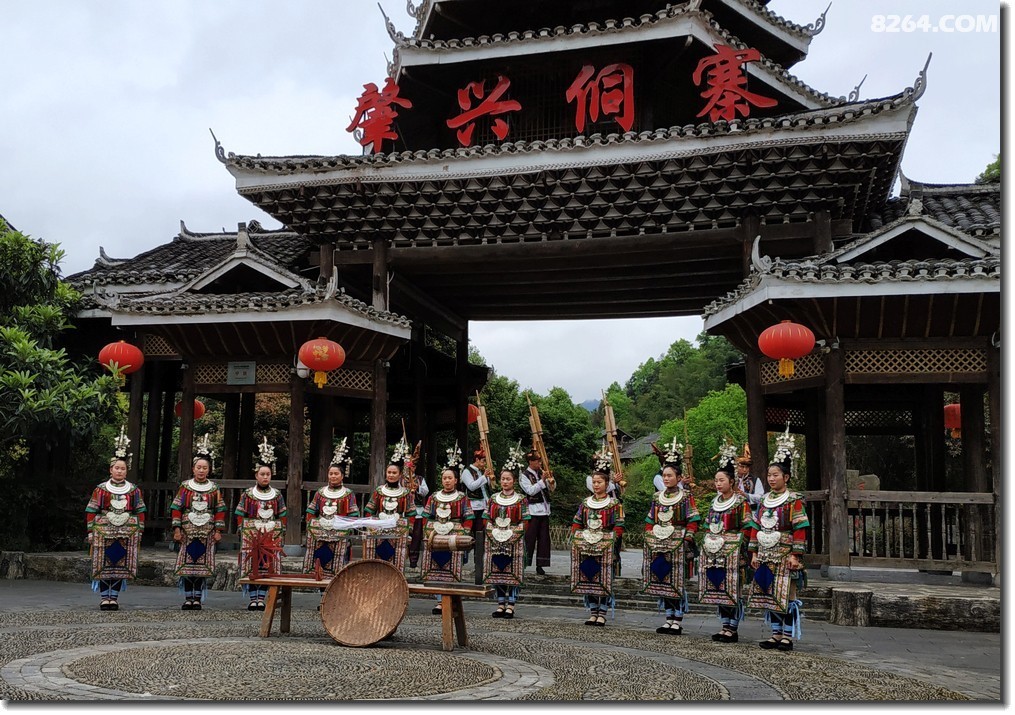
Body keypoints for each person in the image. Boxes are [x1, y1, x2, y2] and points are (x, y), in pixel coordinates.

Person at [748, 431, 810, 651]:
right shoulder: (764, 500)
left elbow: (800, 527)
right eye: (769, 474)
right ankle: (775, 634)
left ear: (786, 477)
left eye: (776, 475)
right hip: (765, 553)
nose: (771, 478)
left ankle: (787, 636)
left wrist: (796, 554)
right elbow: (755, 526)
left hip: (785, 553)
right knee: (769, 592)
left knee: (788, 593)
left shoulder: (794, 500)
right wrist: (754, 552)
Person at [699, 443, 757, 643]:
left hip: (733, 553)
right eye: (716, 480)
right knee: (719, 587)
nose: (717, 484)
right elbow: (708, 525)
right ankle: (724, 626)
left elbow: (748, 526)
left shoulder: (741, 503)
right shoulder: (714, 503)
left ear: (731, 481)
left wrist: (736, 542)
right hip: (716, 552)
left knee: (733, 588)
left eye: (721, 480)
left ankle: (733, 627)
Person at [642, 441, 700, 635]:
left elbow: (693, 520)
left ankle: (678, 619)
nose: (666, 479)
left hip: (679, 544)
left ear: (679, 477)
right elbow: (650, 519)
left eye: (670, 475)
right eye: (664, 475)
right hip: (660, 544)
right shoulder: (657, 497)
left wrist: (686, 539)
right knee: (663, 579)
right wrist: (650, 536)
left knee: (677, 582)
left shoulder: (686, 497)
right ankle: (668, 618)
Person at [85, 426, 146, 611]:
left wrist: (140, 530)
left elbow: (140, 511)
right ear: (110, 469)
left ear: (127, 471)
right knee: (104, 562)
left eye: (123, 469)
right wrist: (90, 531)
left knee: (120, 562)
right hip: (104, 533)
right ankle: (105, 597)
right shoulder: (101, 489)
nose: (119, 471)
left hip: (125, 534)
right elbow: (91, 510)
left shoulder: (133, 490)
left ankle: (115, 596)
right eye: (116, 468)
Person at [170, 435, 227, 610]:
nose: (201, 470)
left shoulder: (214, 489)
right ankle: (188, 597)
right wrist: (177, 528)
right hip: (188, 532)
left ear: (209, 470)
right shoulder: (185, 487)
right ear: (193, 469)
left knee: (202, 564)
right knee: (188, 564)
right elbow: (177, 507)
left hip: (207, 532)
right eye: (198, 467)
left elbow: (220, 510)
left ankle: (198, 597)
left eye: (204, 468)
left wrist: (218, 530)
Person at [570, 447, 625, 627]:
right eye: (594, 482)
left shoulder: (614, 503)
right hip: (587, 546)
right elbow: (577, 521)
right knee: (588, 576)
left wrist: (611, 540)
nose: (596, 485)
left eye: (599, 482)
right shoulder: (586, 503)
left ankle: (603, 612)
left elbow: (619, 524)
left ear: (606, 483)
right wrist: (578, 537)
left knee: (604, 577)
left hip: (605, 546)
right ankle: (593, 611)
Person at [235, 438, 287, 611]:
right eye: (262, 474)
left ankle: (262, 598)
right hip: (252, 538)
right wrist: (244, 531)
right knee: (253, 564)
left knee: (267, 565)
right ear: (256, 475)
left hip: (270, 538)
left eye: (268, 474)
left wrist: (280, 532)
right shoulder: (248, 494)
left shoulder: (277, 495)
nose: (265, 477)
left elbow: (282, 515)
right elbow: (240, 514)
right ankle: (252, 598)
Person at [420, 445, 474, 614]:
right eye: (444, 478)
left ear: (456, 480)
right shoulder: (434, 497)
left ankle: (450, 598)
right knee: (436, 566)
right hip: (435, 533)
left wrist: (463, 533)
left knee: (452, 566)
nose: (447, 481)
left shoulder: (462, 498)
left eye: (450, 478)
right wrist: (428, 532)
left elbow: (469, 517)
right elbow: (427, 516)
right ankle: (439, 600)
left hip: (454, 535)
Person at [484, 444, 530, 619]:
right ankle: (500, 603)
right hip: (496, 539)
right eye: (503, 479)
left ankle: (511, 604)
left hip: (514, 540)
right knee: (498, 570)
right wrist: (493, 532)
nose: (505, 482)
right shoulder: (493, 499)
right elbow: (487, 518)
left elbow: (525, 520)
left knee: (512, 571)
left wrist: (513, 534)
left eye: (508, 479)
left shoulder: (521, 500)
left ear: (514, 481)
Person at [304, 438, 360, 578]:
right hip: (320, 535)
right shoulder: (320, 493)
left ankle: (333, 595)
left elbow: (354, 515)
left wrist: (345, 528)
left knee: (338, 569)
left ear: (342, 476)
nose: (333, 476)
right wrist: (313, 526)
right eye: (331, 474)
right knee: (320, 565)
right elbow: (311, 512)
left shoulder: (348, 494)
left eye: (336, 474)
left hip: (340, 537)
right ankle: (323, 595)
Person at [362, 438, 417, 571]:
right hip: (378, 530)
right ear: (385, 474)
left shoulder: (405, 493)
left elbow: (411, 514)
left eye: (394, 473)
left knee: (395, 563)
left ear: (400, 475)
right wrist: (370, 525)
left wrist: (407, 530)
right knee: (376, 561)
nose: (391, 475)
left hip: (397, 531)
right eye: (389, 472)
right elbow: (369, 509)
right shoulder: (379, 491)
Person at [519, 449, 553, 575]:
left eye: (540, 461)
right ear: (530, 462)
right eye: (537, 461)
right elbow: (530, 491)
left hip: (544, 510)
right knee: (529, 539)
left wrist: (550, 481)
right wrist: (542, 481)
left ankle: (541, 565)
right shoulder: (524, 475)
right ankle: (524, 563)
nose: (539, 463)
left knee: (544, 540)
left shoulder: (541, 473)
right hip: (532, 511)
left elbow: (551, 489)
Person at [460, 448, 491, 584]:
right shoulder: (467, 471)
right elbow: (471, 486)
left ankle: (479, 563)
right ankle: (462, 560)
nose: (484, 463)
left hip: (483, 506)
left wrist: (487, 478)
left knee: (481, 535)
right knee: (468, 534)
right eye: (483, 461)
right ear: (477, 460)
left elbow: (485, 489)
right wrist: (484, 477)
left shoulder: (480, 472)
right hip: (472, 507)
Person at [735, 443, 766, 510]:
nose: (744, 469)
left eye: (747, 467)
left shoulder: (755, 480)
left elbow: (761, 497)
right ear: (736, 466)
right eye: (742, 467)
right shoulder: (731, 480)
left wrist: (746, 495)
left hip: (751, 510)